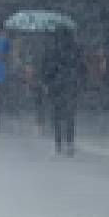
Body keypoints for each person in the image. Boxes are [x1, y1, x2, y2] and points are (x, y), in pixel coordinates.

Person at [39, 25, 85, 155]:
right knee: (70, 115)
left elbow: (46, 68)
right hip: (71, 85)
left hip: (56, 86)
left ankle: (58, 142)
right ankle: (69, 142)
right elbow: (82, 68)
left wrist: (46, 82)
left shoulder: (52, 50)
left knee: (57, 115)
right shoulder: (76, 49)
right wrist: (81, 82)